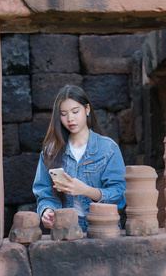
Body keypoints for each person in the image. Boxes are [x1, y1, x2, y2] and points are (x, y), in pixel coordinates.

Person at [33, 85, 126, 233]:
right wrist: (47, 212)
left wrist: (85, 190)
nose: (70, 119)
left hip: (102, 227)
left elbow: (119, 193)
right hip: (65, 229)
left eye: (75, 111)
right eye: (63, 114)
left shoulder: (108, 149)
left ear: (87, 109)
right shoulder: (50, 152)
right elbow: (45, 194)